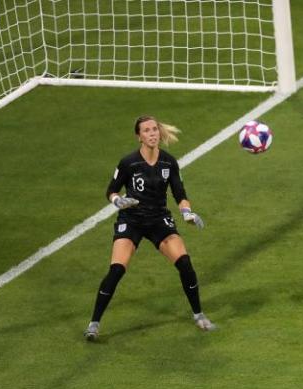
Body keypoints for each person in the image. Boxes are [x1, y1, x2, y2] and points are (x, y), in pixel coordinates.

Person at [84, 115, 214, 340]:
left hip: (158, 220)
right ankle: (94, 324)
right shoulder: (128, 163)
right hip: (131, 220)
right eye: (147, 130)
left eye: (155, 129)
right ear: (139, 137)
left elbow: (179, 194)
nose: (152, 133)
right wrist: (118, 201)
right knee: (116, 270)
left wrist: (187, 213)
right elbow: (111, 190)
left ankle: (199, 315)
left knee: (185, 264)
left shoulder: (169, 162)